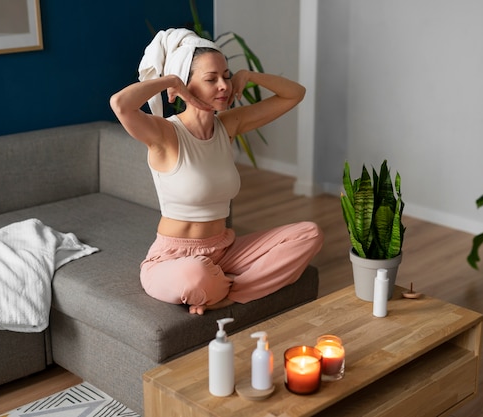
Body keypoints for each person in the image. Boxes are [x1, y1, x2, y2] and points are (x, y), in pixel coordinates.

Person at [110, 28, 323, 315]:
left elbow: (294, 94)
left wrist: (248, 75)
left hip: (225, 250)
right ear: (184, 87)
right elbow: (120, 105)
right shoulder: (165, 134)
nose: (224, 85)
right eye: (211, 79)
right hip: (173, 259)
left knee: (309, 233)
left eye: (226, 75)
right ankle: (217, 283)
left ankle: (226, 293)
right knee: (195, 274)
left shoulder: (228, 125)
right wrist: (172, 79)